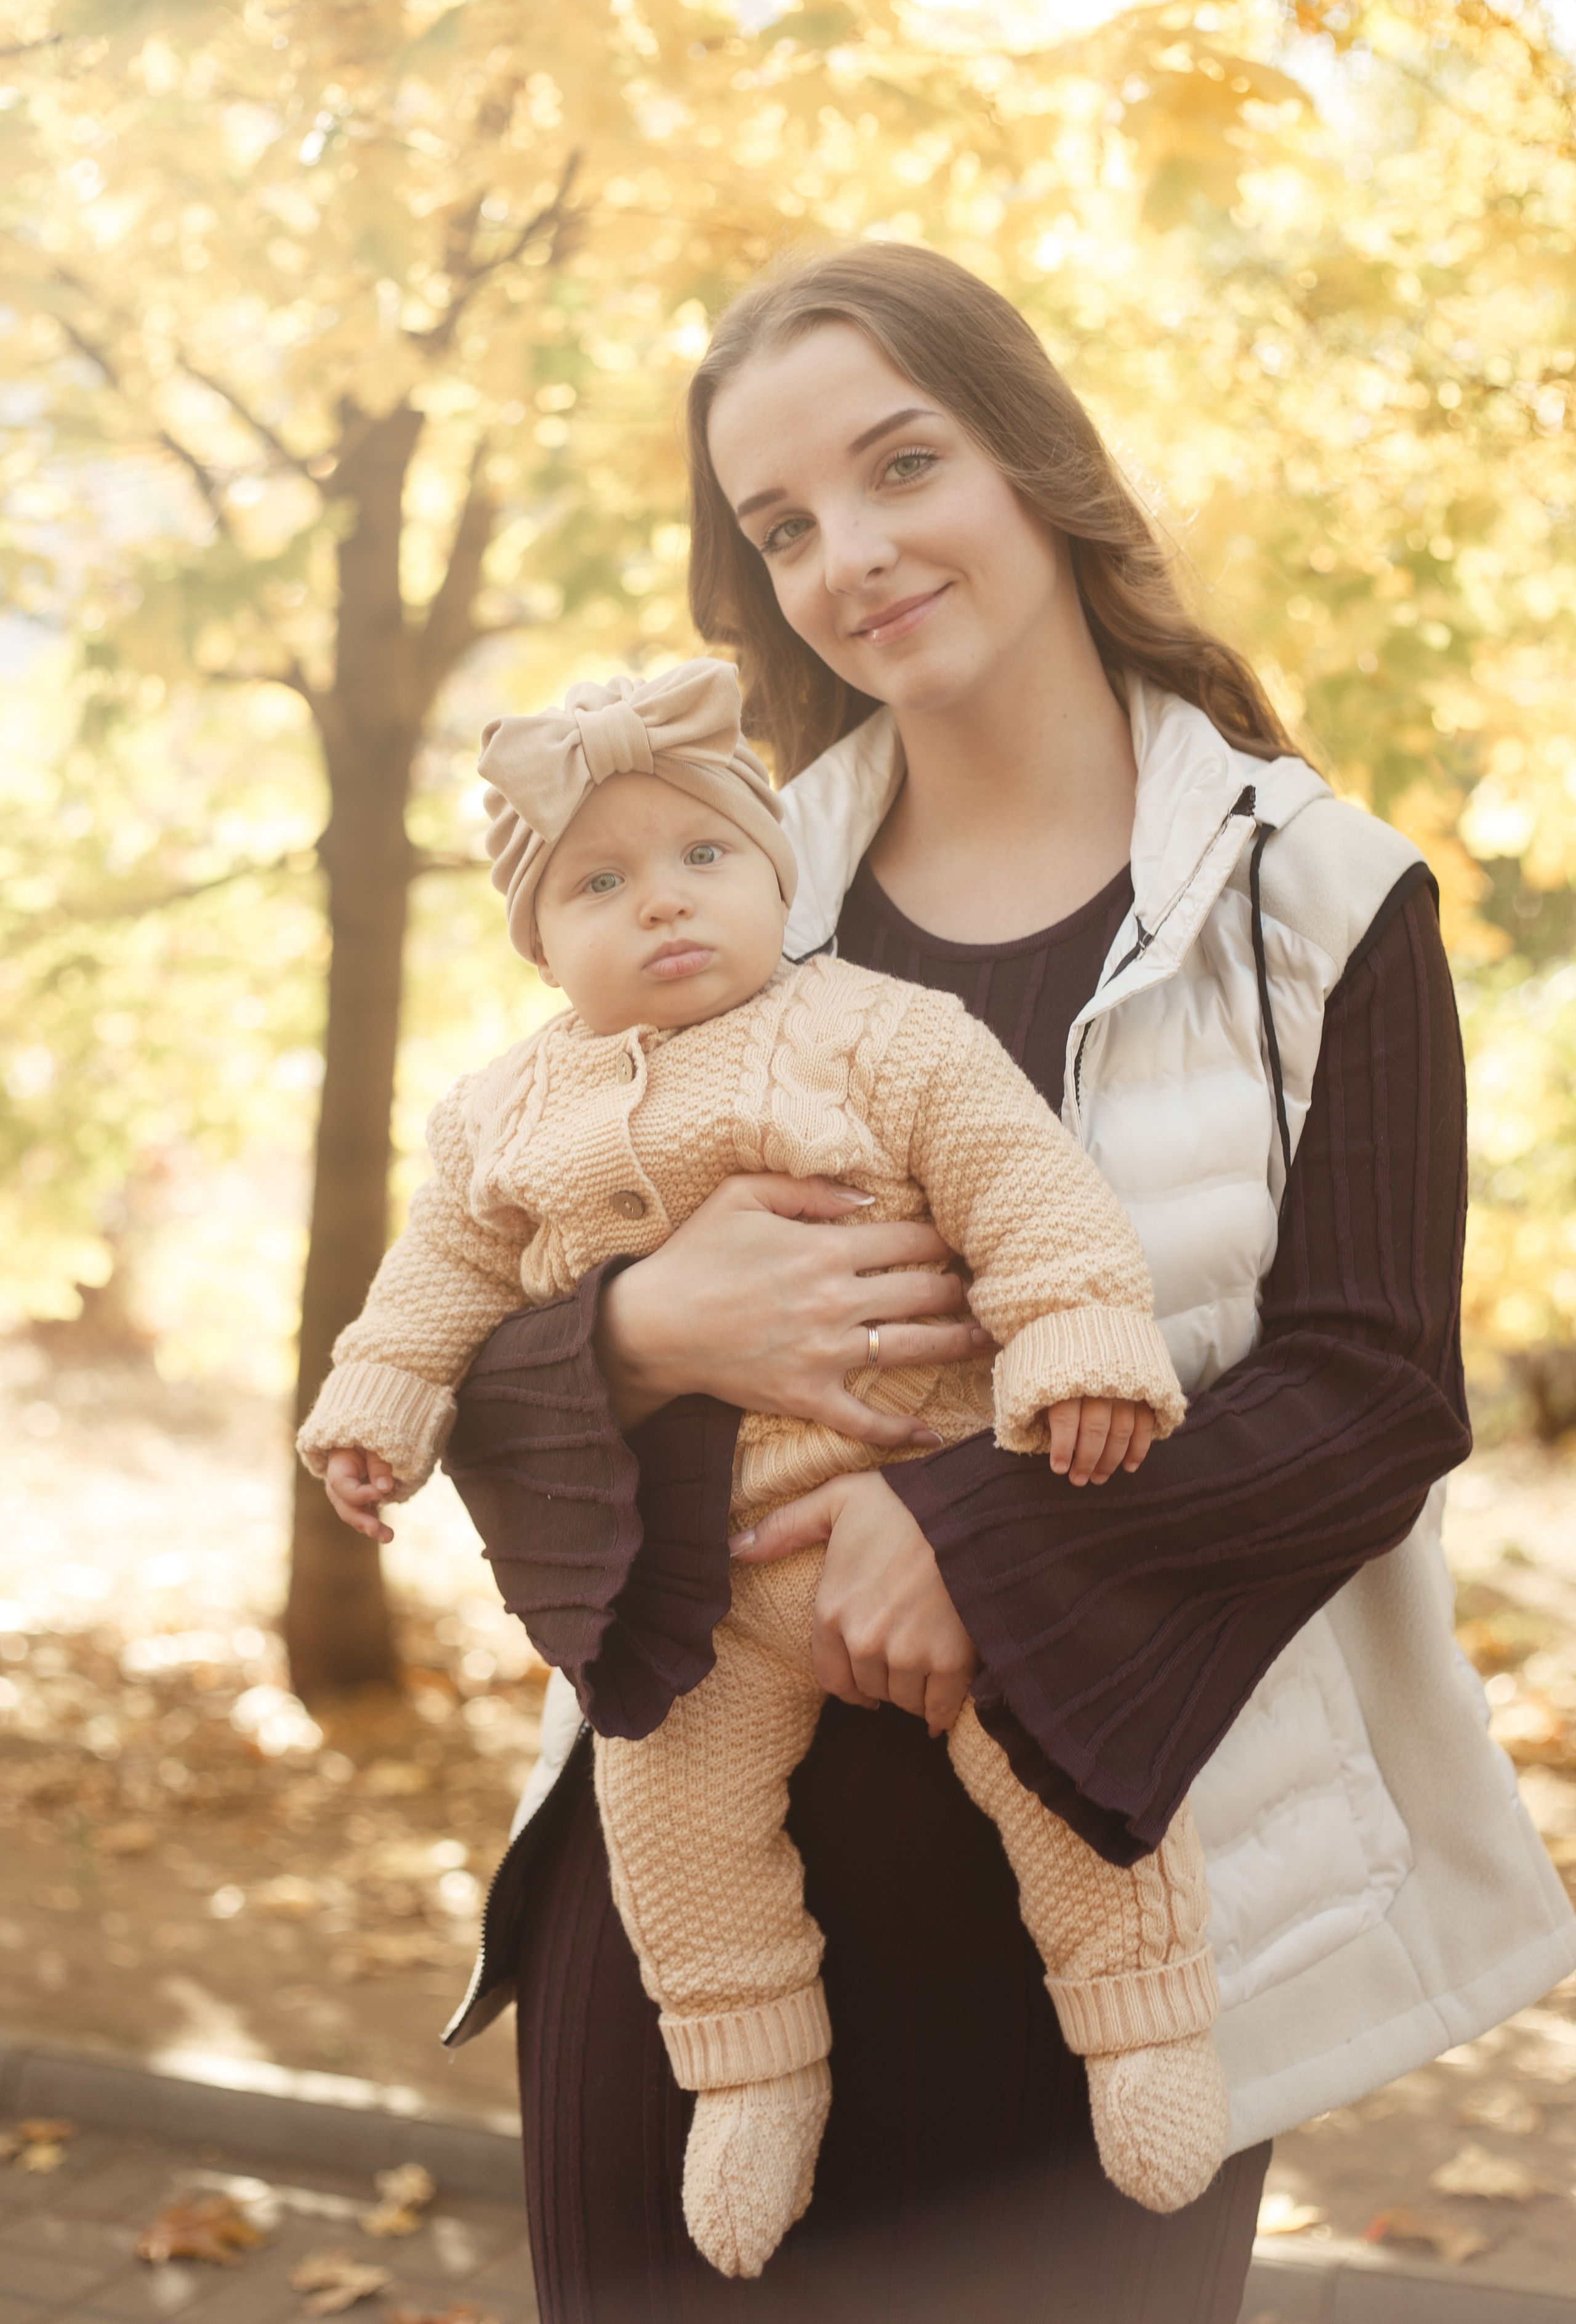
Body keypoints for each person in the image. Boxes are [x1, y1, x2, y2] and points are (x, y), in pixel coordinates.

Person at [430, 244, 1574, 2324]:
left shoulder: (1315, 904)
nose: (849, 556)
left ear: (1034, 459)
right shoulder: (702, 885)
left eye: (900, 467)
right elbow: (468, 1312)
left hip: (1113, 1920)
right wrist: (639, 1332)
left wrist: (969, 1524)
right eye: (783, 527)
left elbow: (1380, 1397)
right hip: (688, 1921)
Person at [299, 656, 1232, 2277]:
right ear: (536, 940)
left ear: (771, 871)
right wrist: (379, 1404)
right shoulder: (504, 1115)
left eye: (703, 859)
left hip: (930, 1494)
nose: (661, 903)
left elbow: (1028, 1188)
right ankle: (750, 2074)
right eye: (600, 882)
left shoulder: (878, 1032)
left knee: (1066, 1759)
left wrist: (1081, 1340)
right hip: (703, 1578)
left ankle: (1147, 2020)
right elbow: (435, 1282)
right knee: (668, 1809)